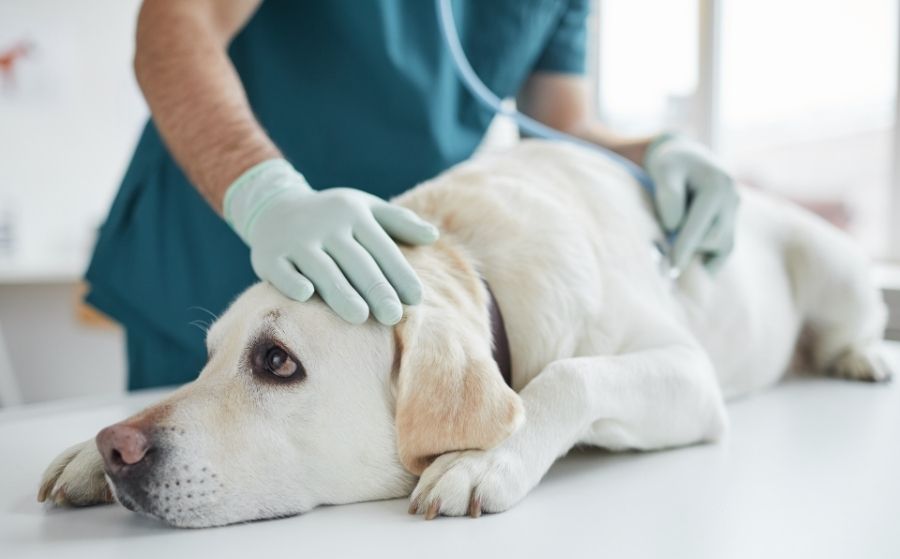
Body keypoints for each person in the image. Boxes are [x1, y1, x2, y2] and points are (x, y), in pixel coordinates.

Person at [86, 0, 738, 390]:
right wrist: (267, 195)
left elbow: (561, 128)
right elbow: (177, 28)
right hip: (209, 250)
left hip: (376, 296)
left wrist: (654, 154)